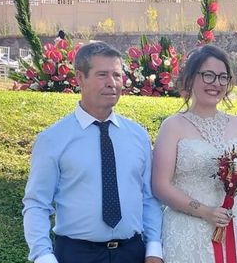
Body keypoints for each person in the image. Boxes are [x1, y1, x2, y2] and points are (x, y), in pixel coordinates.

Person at [22, 41, 163, 263]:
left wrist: (154, 248)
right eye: (102, 75)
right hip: (76, 254)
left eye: (117, 75)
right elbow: (37, 203)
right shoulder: (53, 139)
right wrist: (43, 255)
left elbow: (149, 197)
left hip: (132, 253)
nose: (112, 83)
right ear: (80, 78)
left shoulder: (138, 136)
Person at [152, 45, 237, 263]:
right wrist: (204, 211)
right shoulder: (172, 126)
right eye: (208, 75)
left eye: (223, 77)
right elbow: (161, 186)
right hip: (189, 228)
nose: (216, 83)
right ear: (191, 78)